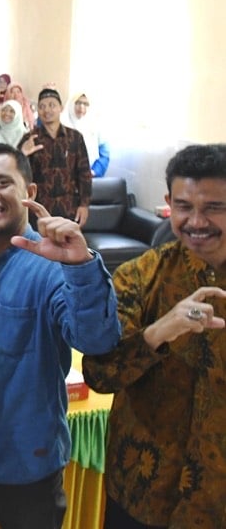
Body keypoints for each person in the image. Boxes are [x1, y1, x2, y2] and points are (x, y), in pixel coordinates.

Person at [0, 142, 120, 529]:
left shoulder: (54, 265)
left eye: (1, 182)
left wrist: (81, 267)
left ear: (30, 192)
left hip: (25, 466)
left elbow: (97, 342)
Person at [82, 144, 226, 528]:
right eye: (184, 206)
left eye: (214, 207)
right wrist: (159, 332)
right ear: (168, 204)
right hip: (141, 487)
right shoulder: (140, 275)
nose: (197, 221)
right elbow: (99, 373)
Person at [18, 88, 92, 225]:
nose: (47, 110)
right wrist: (22, 154)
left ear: (61, 108)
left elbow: (84, 173)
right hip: (38, 210)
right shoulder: (30, 138)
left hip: (69, 208)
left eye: (52, 105)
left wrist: (84, 205)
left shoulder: (75, 138)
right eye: (42, 106)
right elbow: (16, 172)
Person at [60, 92, 110, 178]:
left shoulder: (96, 127)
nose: (81, 107)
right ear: (71, 104)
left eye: (85, 104)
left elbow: (104, 155)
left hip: (90, 176)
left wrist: (94, 172)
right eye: (78, 102)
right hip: (65, 177)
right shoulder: (61, 124)